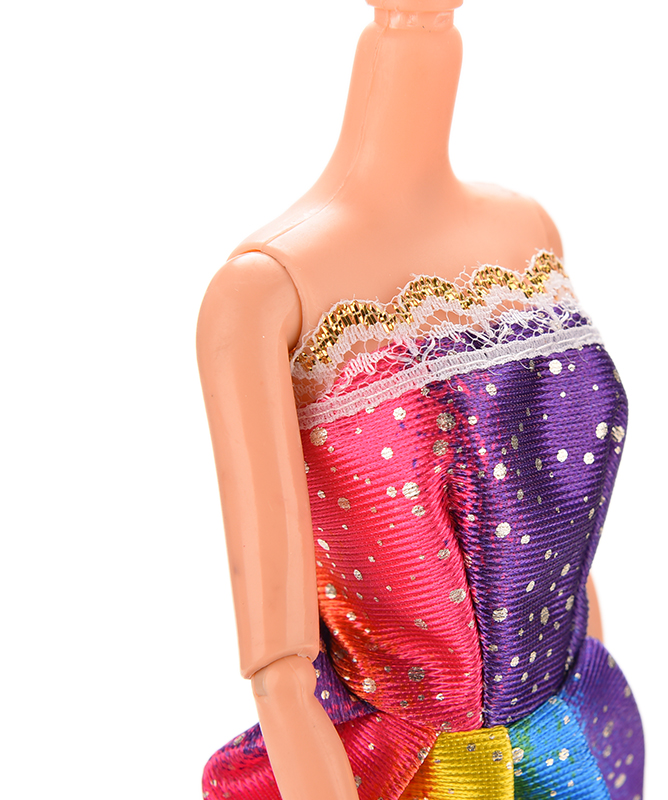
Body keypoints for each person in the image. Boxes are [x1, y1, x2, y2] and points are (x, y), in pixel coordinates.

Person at [197, 2, 644, 798]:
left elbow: (568, 546)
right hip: (406, 772)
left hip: (565, 744)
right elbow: (280, 667)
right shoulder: (267, 291)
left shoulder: (529, 235)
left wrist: (588, 724)